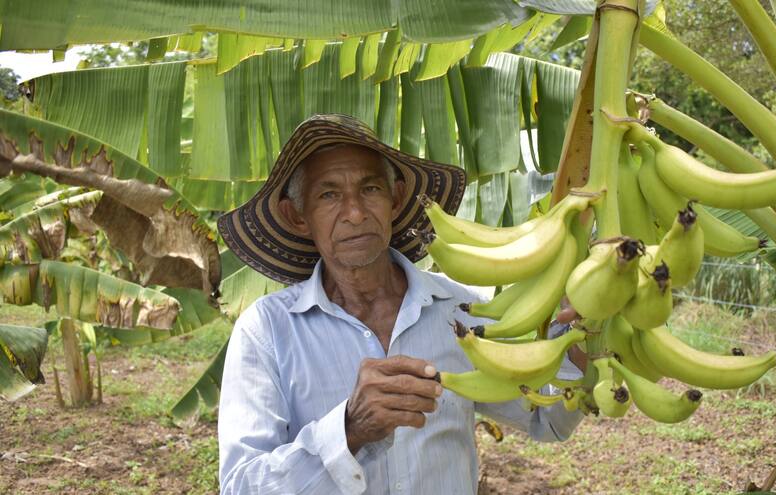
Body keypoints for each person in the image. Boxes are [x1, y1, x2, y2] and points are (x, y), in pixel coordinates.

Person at [217, 114, 586, 495]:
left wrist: (580, 333)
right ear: (298, 217)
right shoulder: (266, 331)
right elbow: (242, 485)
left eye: (371, 189)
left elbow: (548, 417)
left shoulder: (461, 311)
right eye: (328, 195)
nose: (356, 213)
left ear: (394, 199)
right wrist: (349, 429)